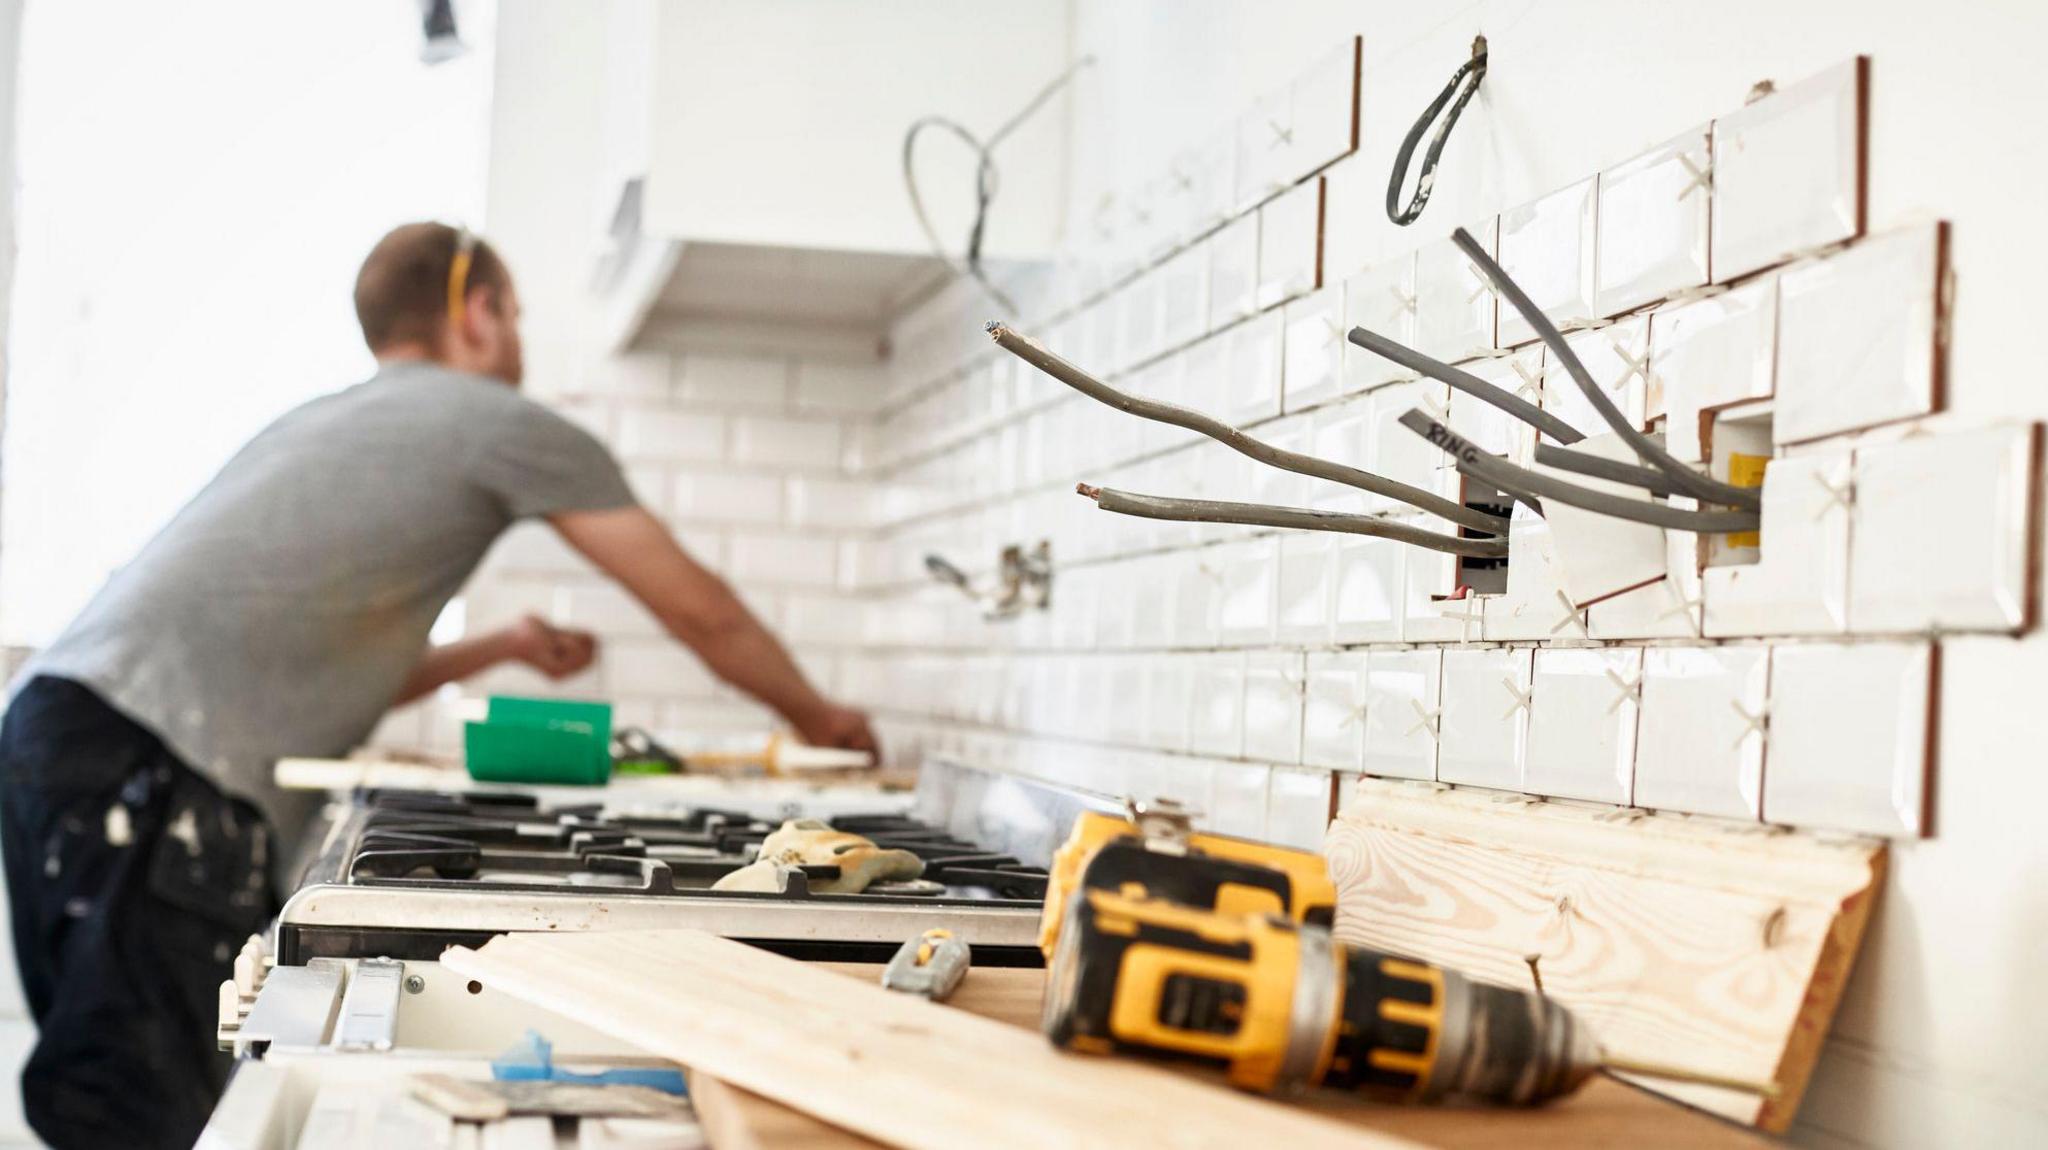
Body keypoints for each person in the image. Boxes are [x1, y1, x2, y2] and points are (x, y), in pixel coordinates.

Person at [0, 222, 878, 1148]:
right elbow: (703, 612)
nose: (521, 341)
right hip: (146, 766)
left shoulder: (326, 419)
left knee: (112, 1091)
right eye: (518, 314)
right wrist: (821, 719)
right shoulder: (502, 424)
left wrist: (498, 646)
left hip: (63, 731)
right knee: (136, 1105)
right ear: (480, 311)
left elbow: (331, 665)